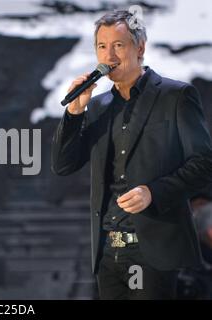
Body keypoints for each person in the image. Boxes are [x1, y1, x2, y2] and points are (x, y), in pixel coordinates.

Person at [51, 10, 212, 299]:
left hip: (152, 248)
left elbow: (204, 163)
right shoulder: (98, 106)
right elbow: (64, 165)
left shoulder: (175, 97)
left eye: (118, 45)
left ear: (140, 48)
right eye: (102, 46)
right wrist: (74, 114)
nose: (109, 54)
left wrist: (154, 191)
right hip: (108, 250)